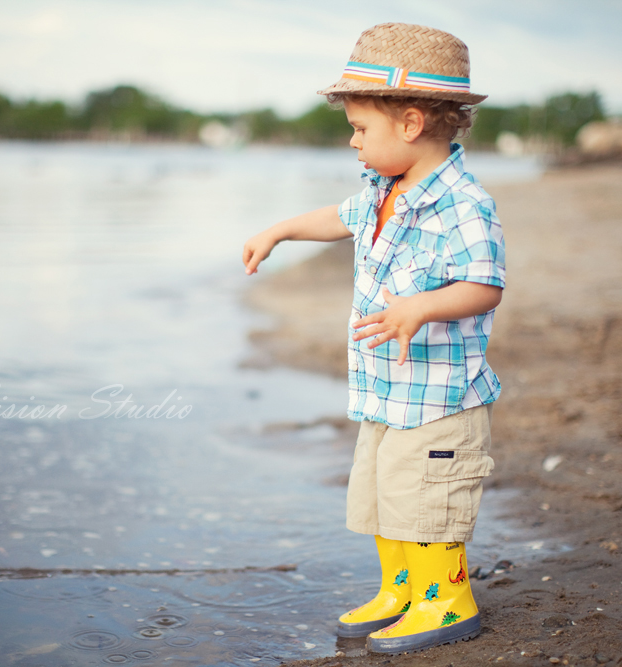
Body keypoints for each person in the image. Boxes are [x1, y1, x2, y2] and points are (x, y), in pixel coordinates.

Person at [241, 23, 505, 655]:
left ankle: (447, 600)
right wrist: (279, 231)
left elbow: (485, 285)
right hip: (387, 390)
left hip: (440, 398)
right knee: (386, 491)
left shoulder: (463, 205)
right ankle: (402, 589)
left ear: (410, 123)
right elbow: (338, 218)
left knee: (429, 497)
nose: (352, 142)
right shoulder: (382, 191)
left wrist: (422, 306)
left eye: (360, 129)